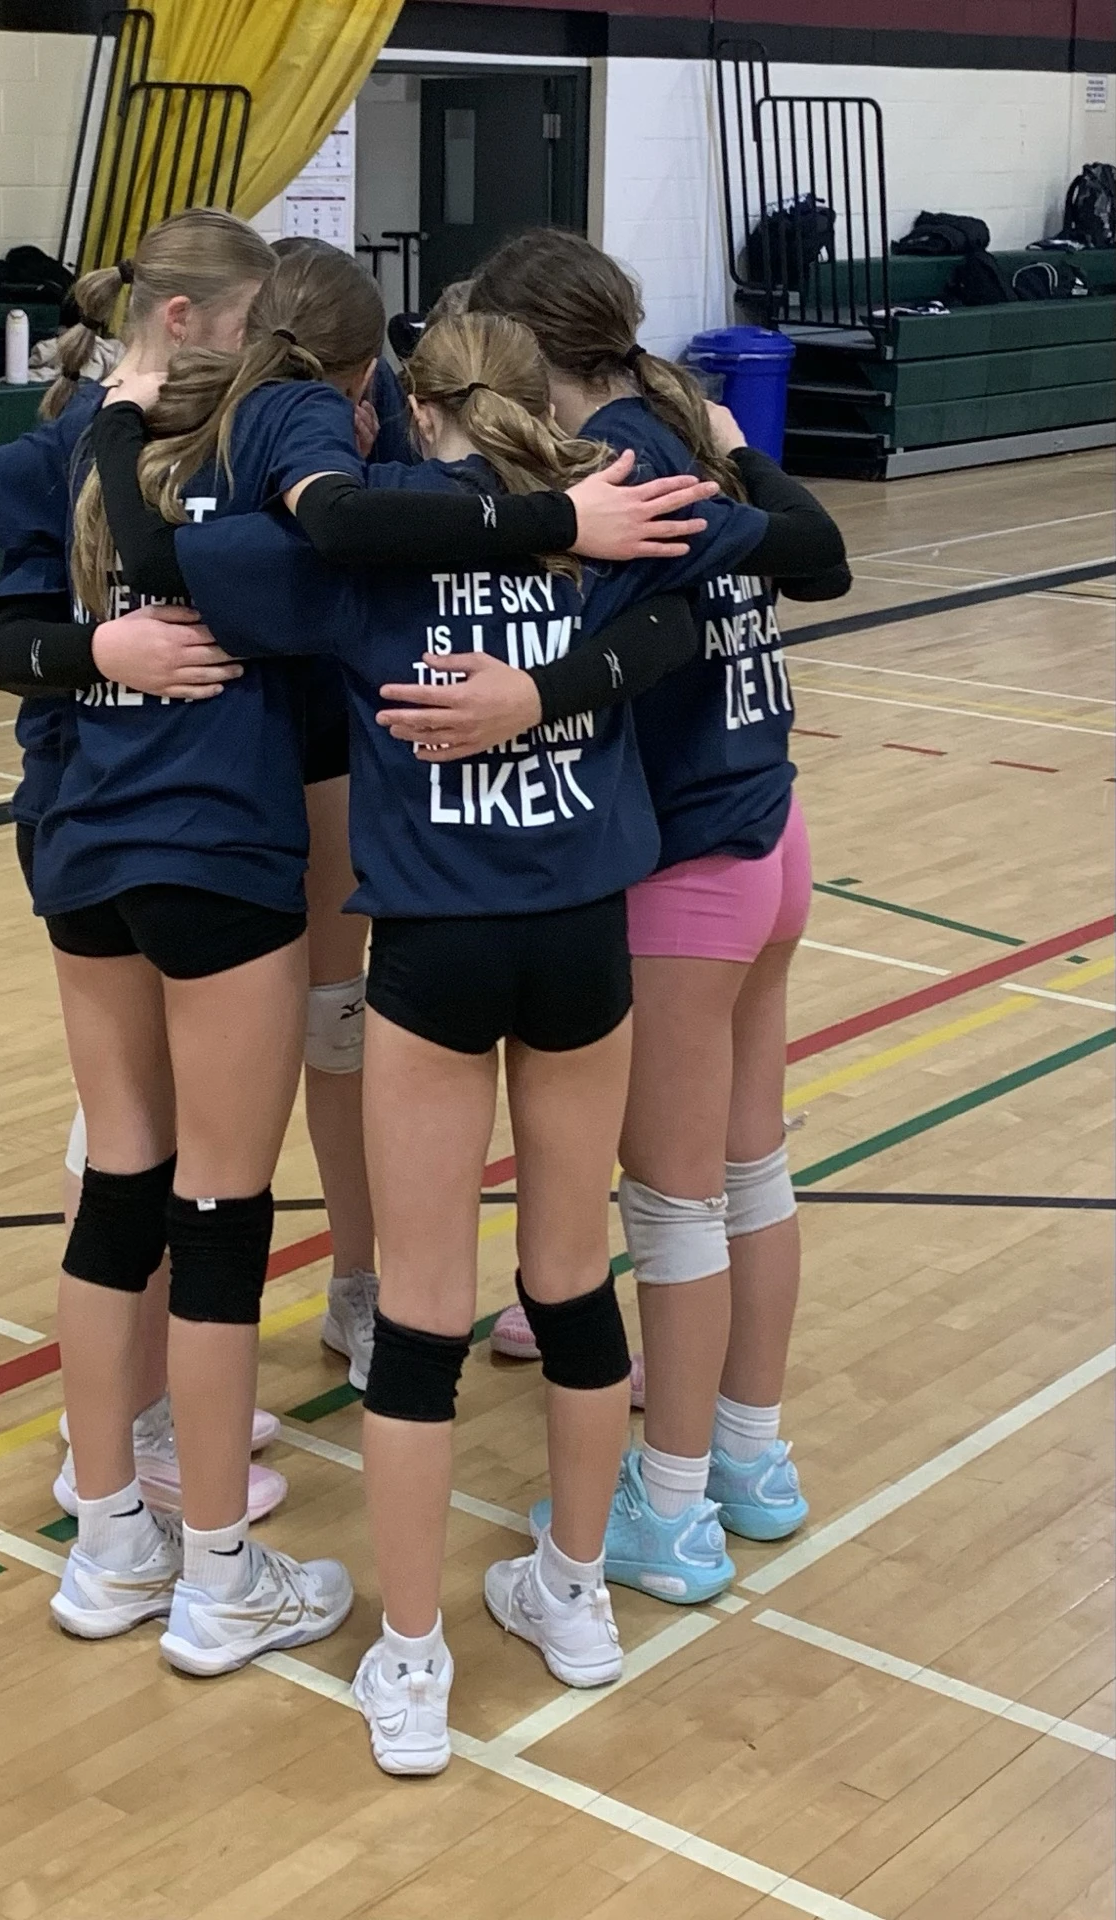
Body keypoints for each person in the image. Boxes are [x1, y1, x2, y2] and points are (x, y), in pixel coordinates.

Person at [8, 243, 718, 1679]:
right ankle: (568, 1601)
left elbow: (186, 561)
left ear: (414, 409)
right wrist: (556, 609)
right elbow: (732, 582)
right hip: (565, 933)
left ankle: (365, 1642)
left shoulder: (341, 571)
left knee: (353, 1283)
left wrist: (107, 438)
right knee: (567, 1280)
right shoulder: (607, 521)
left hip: (183, 872)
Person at [375, 228, 850, 1606]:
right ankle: (752, 1459)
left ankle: (676, 1501)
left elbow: (712, 606)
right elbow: (795, 555)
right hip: (770, 826)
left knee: (676, 1203)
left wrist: (534, 697)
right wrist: (735, 451)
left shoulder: (620, 462)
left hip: (688, 859)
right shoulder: (669, 436)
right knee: (749, 1169)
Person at [0, 208, 288, 1524]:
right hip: (129, 825)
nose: (256, 349)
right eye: (243, 323)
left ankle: (133, 1467)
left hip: (115, 834)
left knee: (140, 1160)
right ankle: (146, 1481)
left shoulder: (203, 435)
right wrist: (94, 653)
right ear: (183, 321)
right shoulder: (109, 440)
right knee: (167, 1169)